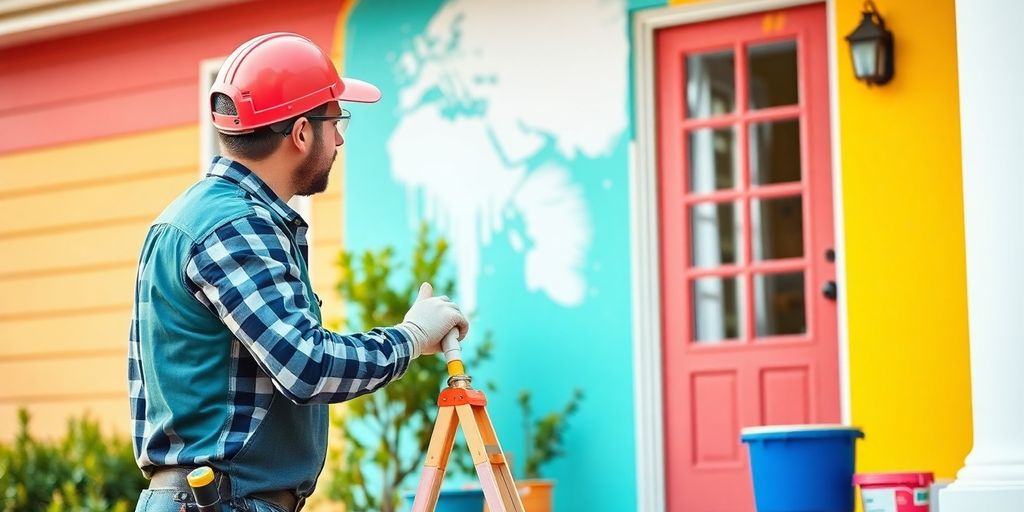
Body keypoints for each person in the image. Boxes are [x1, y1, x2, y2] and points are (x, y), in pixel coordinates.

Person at [128, 32, 468, 512]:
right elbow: (305, 366)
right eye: (336, 120)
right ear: (302, 133)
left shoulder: (191, 218)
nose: (341, 138)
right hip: (224, 502)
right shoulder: (237, 226)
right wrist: (409, 338)